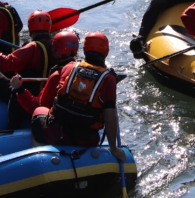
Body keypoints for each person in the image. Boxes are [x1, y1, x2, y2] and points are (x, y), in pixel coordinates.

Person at [30, 32, 126, 162]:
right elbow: (109, 119)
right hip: (88, 140)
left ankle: (41, 157)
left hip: (60, 134)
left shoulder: (69, 67)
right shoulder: (109, 79)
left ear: (84, 49)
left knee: (39, 110)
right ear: (106, 52)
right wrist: (113, 148)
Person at [0, 10, 55, 127]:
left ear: (30, 28)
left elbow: (5, 65)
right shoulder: (57, 48)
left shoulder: (32, 47)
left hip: (23, 96)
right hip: (42, 98)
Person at [10, 30, 80, 115]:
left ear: (56, 50)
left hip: (55, 118)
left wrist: (20, 89)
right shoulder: (80, 71)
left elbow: (37, 106)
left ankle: (13, 123)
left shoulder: (56, 76)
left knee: (14, 92)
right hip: (72, 116)